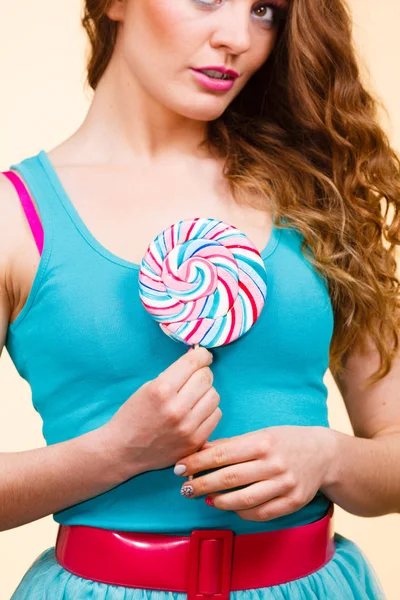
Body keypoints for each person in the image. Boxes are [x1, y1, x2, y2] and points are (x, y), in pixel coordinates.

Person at [1, 0, 399, 597]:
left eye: (265, 10)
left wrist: (329, 458)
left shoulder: (316, 196)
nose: (239, 37)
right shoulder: (15, 219)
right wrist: (116, 452)